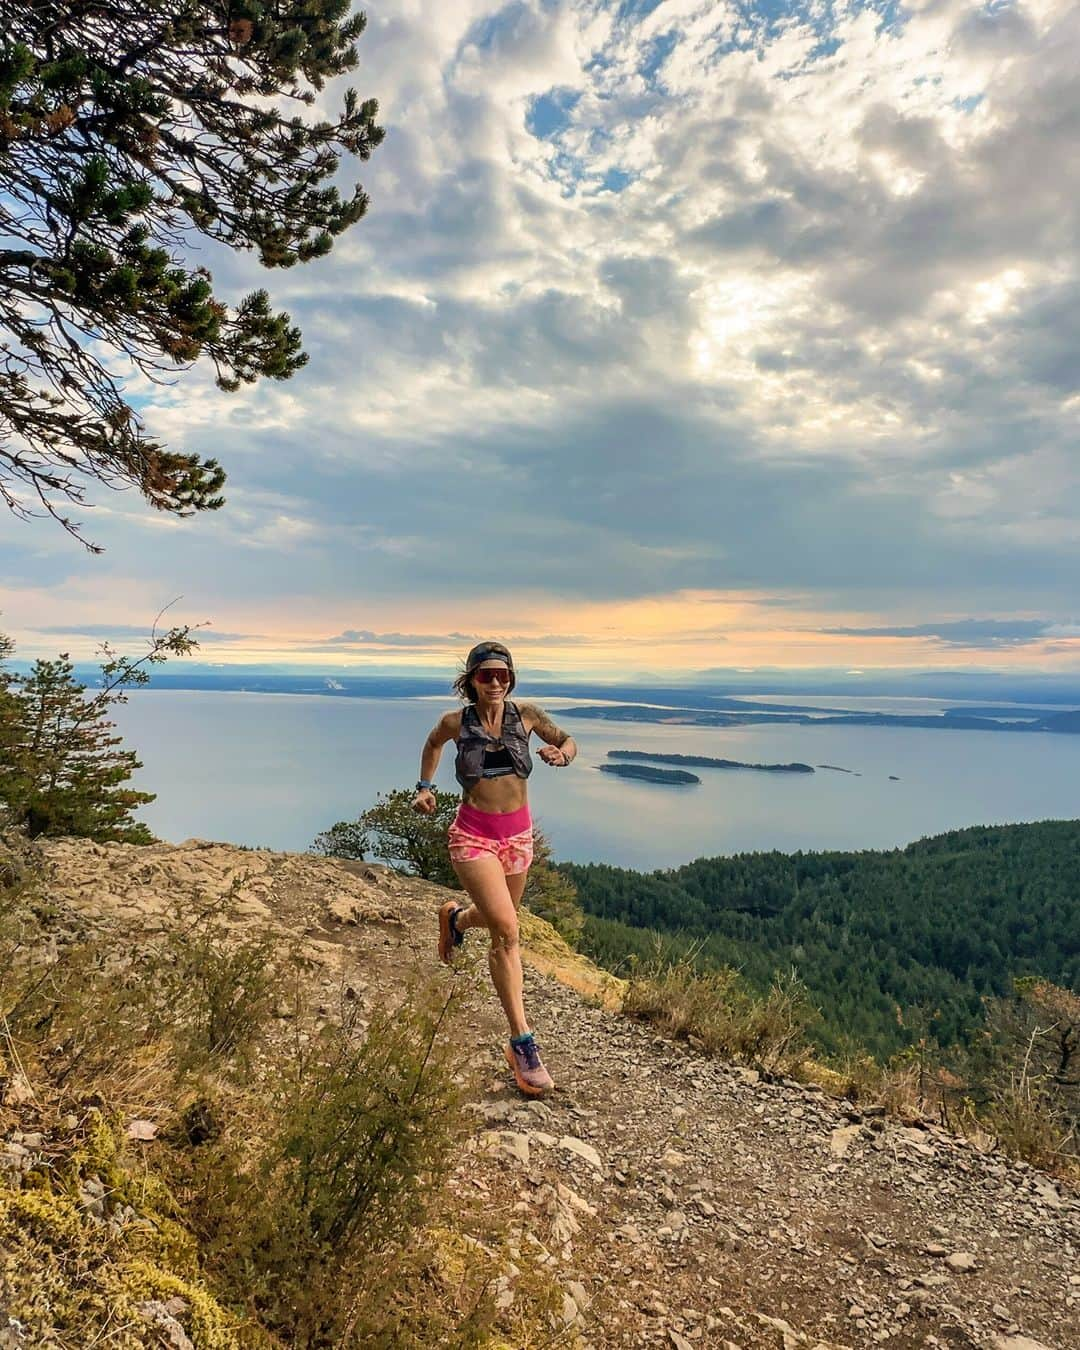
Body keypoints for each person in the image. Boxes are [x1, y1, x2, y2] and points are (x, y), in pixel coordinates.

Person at [411, 640, 577, 1095]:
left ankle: (456, 919)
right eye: (487, 675)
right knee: (507, 930)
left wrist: (563, 754)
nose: (497, 682)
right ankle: (522, 1045)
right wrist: (425, 786)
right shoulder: (455, 723)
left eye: (504, 674)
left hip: (518, 838)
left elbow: (566, 740)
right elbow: (432, 742)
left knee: (496, 916)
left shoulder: (528, 716)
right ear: (472, 681)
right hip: (473, 837)